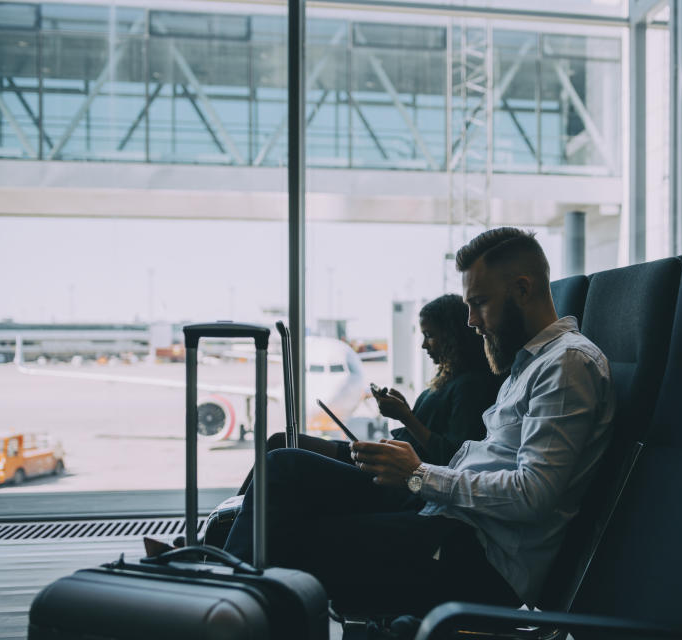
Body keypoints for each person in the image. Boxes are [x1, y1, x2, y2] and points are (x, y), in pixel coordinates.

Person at [222, 227, 615, 615]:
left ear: (523, 290)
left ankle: (218, 603)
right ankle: (220, 589)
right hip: (446, 518)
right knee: (285, 465)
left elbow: (533, 496)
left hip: (479, 558)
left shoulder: (567, 365)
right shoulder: (529, 363)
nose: (472, 321)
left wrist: (418, 474)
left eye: (479, 303)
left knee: (295, 537)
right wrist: (414, 466)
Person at [234, 294, 499, 497]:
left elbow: (451, 457)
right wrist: (405, 411)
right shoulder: (448, 379)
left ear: (453, 337)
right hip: (385, 461)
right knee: (279, 442)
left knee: (281, 448)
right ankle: (227, 519)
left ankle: (224, 528)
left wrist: (407, 418)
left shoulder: (470, 385)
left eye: (430, 336)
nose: (423, 345)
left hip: (398, 476)